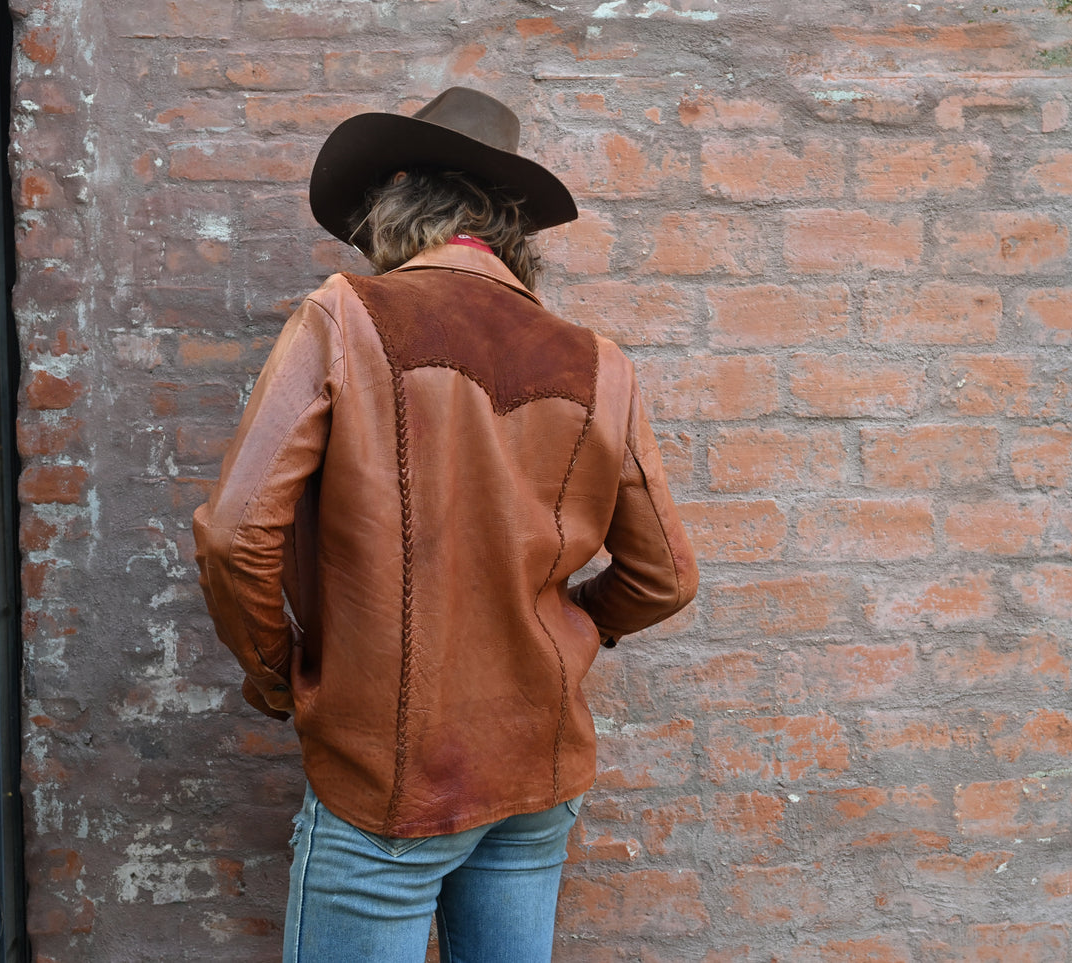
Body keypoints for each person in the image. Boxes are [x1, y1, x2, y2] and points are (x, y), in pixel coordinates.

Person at [192, 86, 698, 963]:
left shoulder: (345, 317)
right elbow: (665, 578)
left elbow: (236, 536)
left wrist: (282, 672)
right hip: (537, 767)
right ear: (508, 230)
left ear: (396, 204)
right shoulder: (596, 362)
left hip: (387, 780)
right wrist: (570, 625)